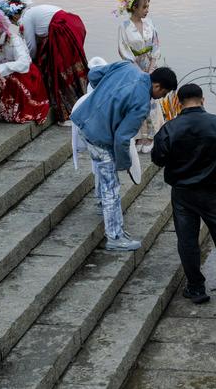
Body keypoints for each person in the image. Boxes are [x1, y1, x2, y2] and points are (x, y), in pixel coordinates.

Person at [70, 61, 177, 251]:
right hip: (99, 137)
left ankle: (107, 212)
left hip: (83, 121)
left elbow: (93, 74)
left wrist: (102, 95)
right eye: (164, 93)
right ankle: (114, 236)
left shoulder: (126, 67)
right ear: (157, 86)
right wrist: (124, 164)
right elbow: (121, 138)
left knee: (104, 178)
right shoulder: (141, 104)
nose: (161, 98)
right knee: (112, 186)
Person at [151, 83, 216, 304]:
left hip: (183, 192)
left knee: (187, 240)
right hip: (213, 191)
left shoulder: (170, 128)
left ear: (178, 103)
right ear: (203, 100)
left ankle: (196, 288)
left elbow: (158, 158)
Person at [0, 0, 88, 125]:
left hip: (62, 30)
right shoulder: (33, 12)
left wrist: (30, 67)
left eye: (11, 19)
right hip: (74, 24)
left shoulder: (25, 19)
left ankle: (68, 115)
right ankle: (82, 106)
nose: (13, 23)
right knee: (73, 70)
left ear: (14, 16)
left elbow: (31, 48)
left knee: (61, 74)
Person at [0, 8, 50, 124]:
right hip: (5, 72)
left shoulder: (13, 40)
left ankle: (16, 107)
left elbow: (24, 63)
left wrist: (1, 69)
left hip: (24, 74)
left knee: (12, 79)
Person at [116, 0, 162, 153]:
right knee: (136, 101)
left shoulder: (150, 24)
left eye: (148, 6)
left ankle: (151, 135)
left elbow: (156, 45)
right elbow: (123, 49)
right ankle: (138, 136)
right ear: (134, 7)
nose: (147, 10)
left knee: (151, 101)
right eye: (144, 6)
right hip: (133, 68)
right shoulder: (124, 27)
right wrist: (137, 69)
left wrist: (151, 68)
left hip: (150, 66)